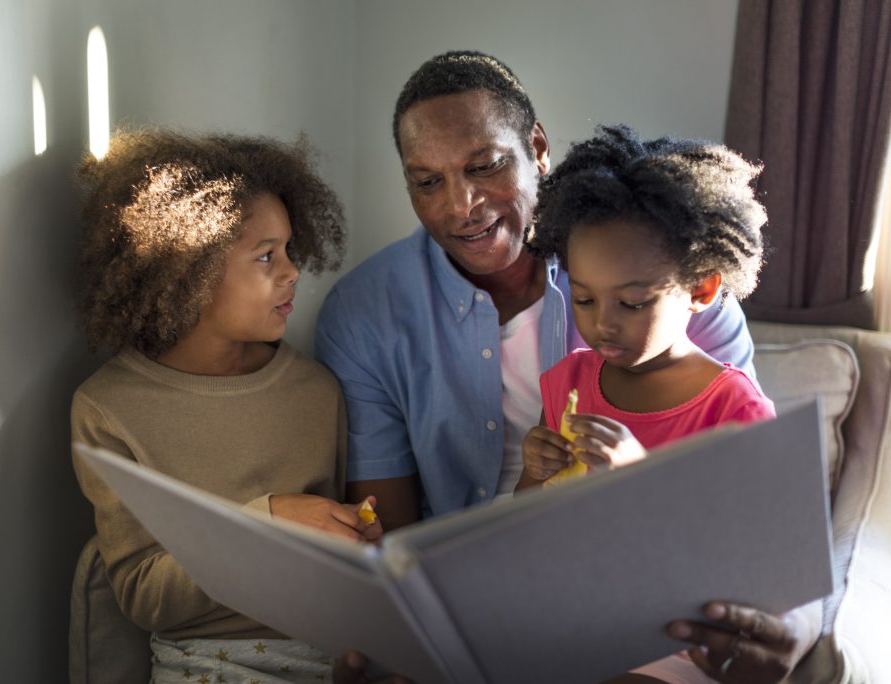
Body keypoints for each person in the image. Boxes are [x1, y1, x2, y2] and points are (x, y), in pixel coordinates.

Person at [315, 52, 821, 682]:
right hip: (496, 595)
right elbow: (388, 536)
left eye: (485, 166)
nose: (460, 205)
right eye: (427, 181)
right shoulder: (365, 315)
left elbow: (763, 527)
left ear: (537, 148)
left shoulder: (669, 274)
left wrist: (797, 628)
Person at [71, 129, 380, 684]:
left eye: (289, 249)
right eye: (266, 256)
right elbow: (144, 596)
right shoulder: (109, 407)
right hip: (202, 666)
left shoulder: (315, 391)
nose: (292, 272)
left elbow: (329, 564)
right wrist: (268, 519)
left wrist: (352, 542)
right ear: (188, 269)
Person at [516, 124, 820, 682]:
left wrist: (641, 481)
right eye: (583, 297)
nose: (601, 323)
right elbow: (531, 519)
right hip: (571, 616)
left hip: (668, 642)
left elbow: (754, 563)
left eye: (632, 303)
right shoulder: (567, 380)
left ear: (702, 288)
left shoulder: (733, 408)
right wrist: (537, 472)